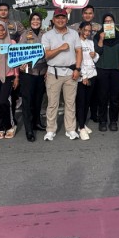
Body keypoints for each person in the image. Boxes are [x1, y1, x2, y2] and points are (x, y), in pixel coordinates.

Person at [41, 8, 83, 141]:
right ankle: (50, 130)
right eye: (58, 18)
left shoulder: (74, 34)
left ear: (67, 19)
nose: (60, 20)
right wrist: (60, 48)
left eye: (63, 17)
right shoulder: (47, 35)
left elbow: (78, 52)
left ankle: (70, 129)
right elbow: (46, 55)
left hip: (70, 72)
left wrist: (77, 69)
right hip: (54, 73)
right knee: (52, 103)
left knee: (70, 103)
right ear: (53, 20)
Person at [95, 13, 119, 132]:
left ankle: (113, 121)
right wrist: (101, 38)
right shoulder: (98, 35)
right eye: (106, 21)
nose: (108, 23)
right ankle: (103, 121)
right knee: (102, 97)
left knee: (114, 97)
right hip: (102, 69)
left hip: (115, 70)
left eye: (110, 21)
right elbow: (97, 52)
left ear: (114, 23)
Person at [19, 12, 47, 142]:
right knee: (27, 101)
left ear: (41, 21)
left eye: (38, 19)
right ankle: (29, 129)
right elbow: (18, 51)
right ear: (30, 21)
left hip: (42, 72)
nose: (35, 21)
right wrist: (21, 63)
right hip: (28, 72)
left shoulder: (45, 34)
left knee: (38, 100)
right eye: (33, 19)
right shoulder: (25, 34)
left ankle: (36, 122)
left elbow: (49, 51)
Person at [75, 22, 98, 140]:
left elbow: (95, 59)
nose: (87, 33)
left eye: (89, 31)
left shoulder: (90, 42)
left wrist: (95, 55)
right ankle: (81, 127)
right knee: (81, 102)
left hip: (92, 74)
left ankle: (82, 124)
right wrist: (83, 75)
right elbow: (78, 60)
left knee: (87, 102)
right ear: (80, 29)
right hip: (82, 77)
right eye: (85, 30)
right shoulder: (76, 42)